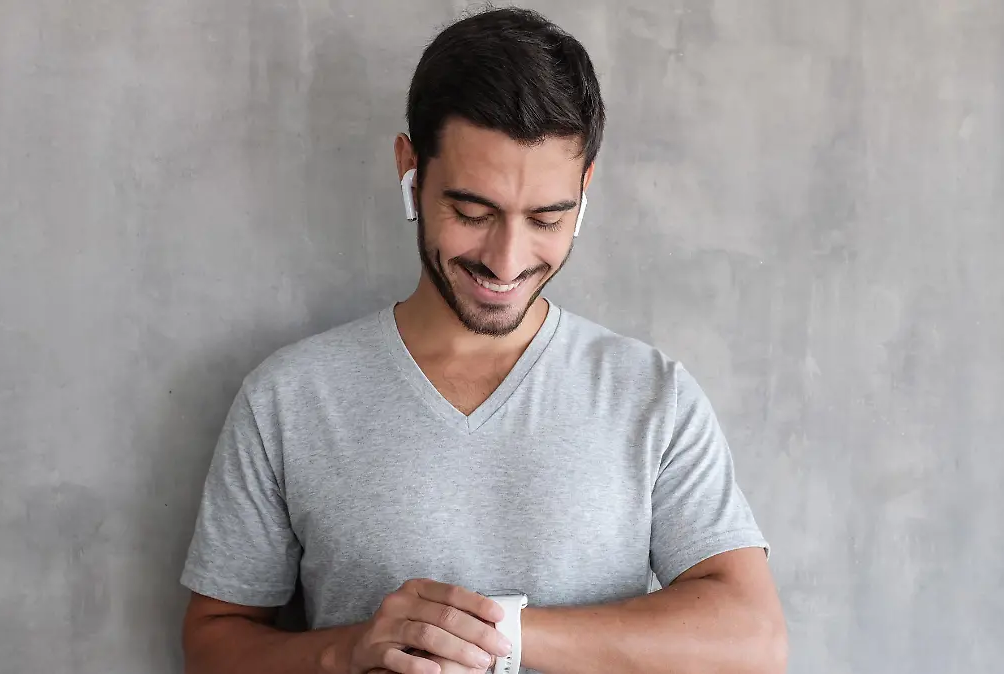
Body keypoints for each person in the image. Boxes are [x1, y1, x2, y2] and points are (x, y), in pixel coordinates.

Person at [179, 6, 786, 674]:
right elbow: (214, 640)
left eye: (547, 218)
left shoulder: (650, 395)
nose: (506, 261)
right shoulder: (289, 399)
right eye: (472, 213)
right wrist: (345, 652)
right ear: (411, 168)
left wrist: (499, 634)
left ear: (584, 191)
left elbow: (751, 643)